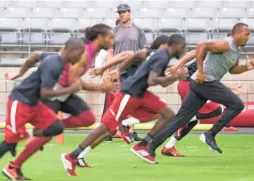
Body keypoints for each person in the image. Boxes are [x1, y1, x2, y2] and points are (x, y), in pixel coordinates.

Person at [61, 34, 188, 176]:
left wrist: (174, 77)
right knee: (107, 128)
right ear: (172, 45)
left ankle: (141, 144)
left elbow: (141, 60)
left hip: (140, 93)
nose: (184, 50)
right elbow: (152, 80)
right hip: (129, 93)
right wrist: (114, 70)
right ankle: (72, 156)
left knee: (167, 113)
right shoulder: (161, 57)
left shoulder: (154, 54)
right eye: (182, 47)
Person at [135, 23, 254, 164]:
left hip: (199, 84)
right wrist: (200, 72)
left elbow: (233, 70)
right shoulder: (225, 44)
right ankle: (209, 134)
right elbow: (200, 46)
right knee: (237, 105)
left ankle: (150, 147)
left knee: (181, 119)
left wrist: (246, 67)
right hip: (205, 82)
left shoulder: (236, 50)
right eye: (247, 34)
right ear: (237, 33)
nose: (249, 37)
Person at [5, 24, 119, 171]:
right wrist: (100, 88)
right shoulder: (83, 53)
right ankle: (14, 166)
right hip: (54, 94)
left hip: (65, 94)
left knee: (87, 118)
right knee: (45, 136)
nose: (113, 41)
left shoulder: (90, 52)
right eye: (110, 37)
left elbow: (36, 56)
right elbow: (73, 82)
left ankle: (48, 129)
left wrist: (20, 72)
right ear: (100, 37)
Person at [0, 37, 85, 180]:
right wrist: (71, 89)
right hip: (20, 101)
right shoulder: (54, 64)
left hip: (34, 104)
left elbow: (34, 56)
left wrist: (20, 72)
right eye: (80, 53)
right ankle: (14, 158)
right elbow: (44, 92)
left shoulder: (55, 58)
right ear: (72, 51)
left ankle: (15, 164)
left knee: (55, 127)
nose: (81, 57)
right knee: (9, 143)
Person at [103, 3, 148, 142]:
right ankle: (107, 133)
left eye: (123, 12)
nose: (121, 14)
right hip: (117, 71)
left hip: (134, 71)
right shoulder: (113, 31)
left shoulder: (138, 30)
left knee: (133, 101)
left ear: (130, 12)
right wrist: (109, 69)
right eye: (119, 12)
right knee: (111, 101)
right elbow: (110, 51)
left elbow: (144, 50)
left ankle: (131, 132)